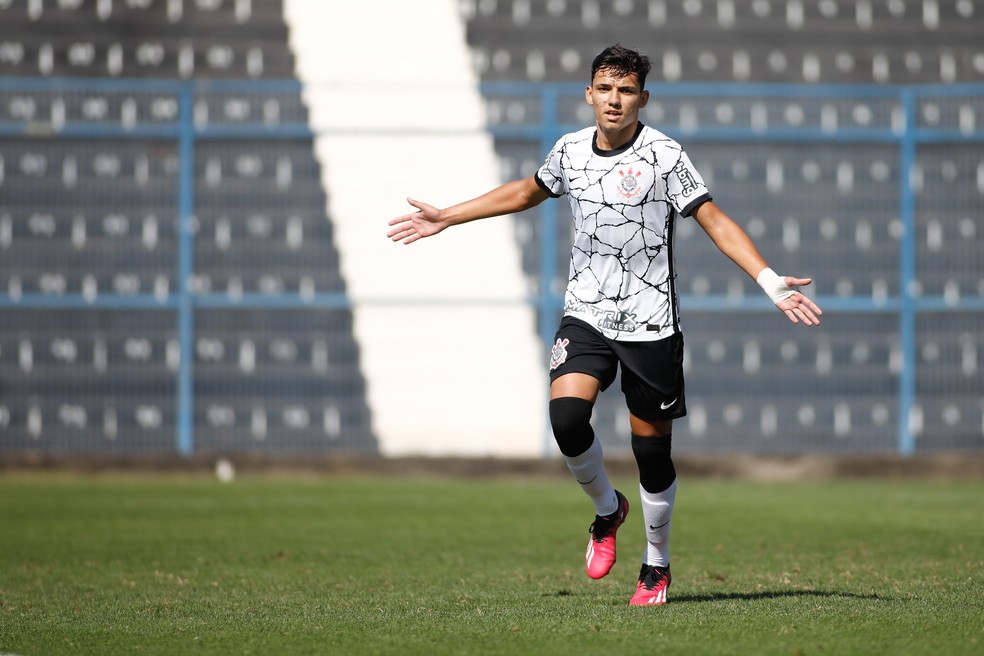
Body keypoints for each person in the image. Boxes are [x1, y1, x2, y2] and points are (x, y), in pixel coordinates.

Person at [387, 44, 822, 606]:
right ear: (589, 93)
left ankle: (656, 566)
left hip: (651, 324)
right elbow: (525, 191)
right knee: (567, 419)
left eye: (626, 90)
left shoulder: (665, 156)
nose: (614, 99)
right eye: (605, 88)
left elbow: (714, 220)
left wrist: (769, 280)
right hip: (587, 315)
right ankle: (607, 510)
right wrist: (447, 216)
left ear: (642, 97)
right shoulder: (569, 151)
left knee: (652, 456)